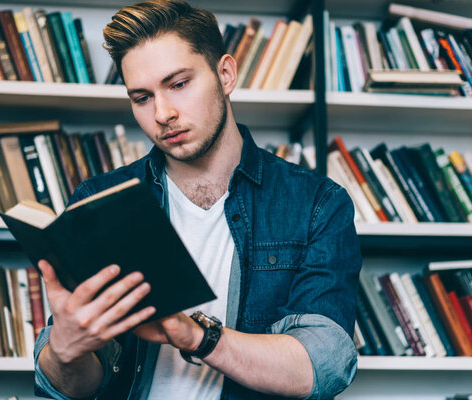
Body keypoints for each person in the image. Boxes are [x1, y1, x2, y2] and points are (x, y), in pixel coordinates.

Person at [34, 1, 362, 399]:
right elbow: (74, 386)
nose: (162, 113)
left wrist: (196, 336)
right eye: (142, 97)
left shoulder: (317, 204)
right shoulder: (98, 201)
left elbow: (323, 365)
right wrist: (65, 354)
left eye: (178, 84)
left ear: (225, 74)